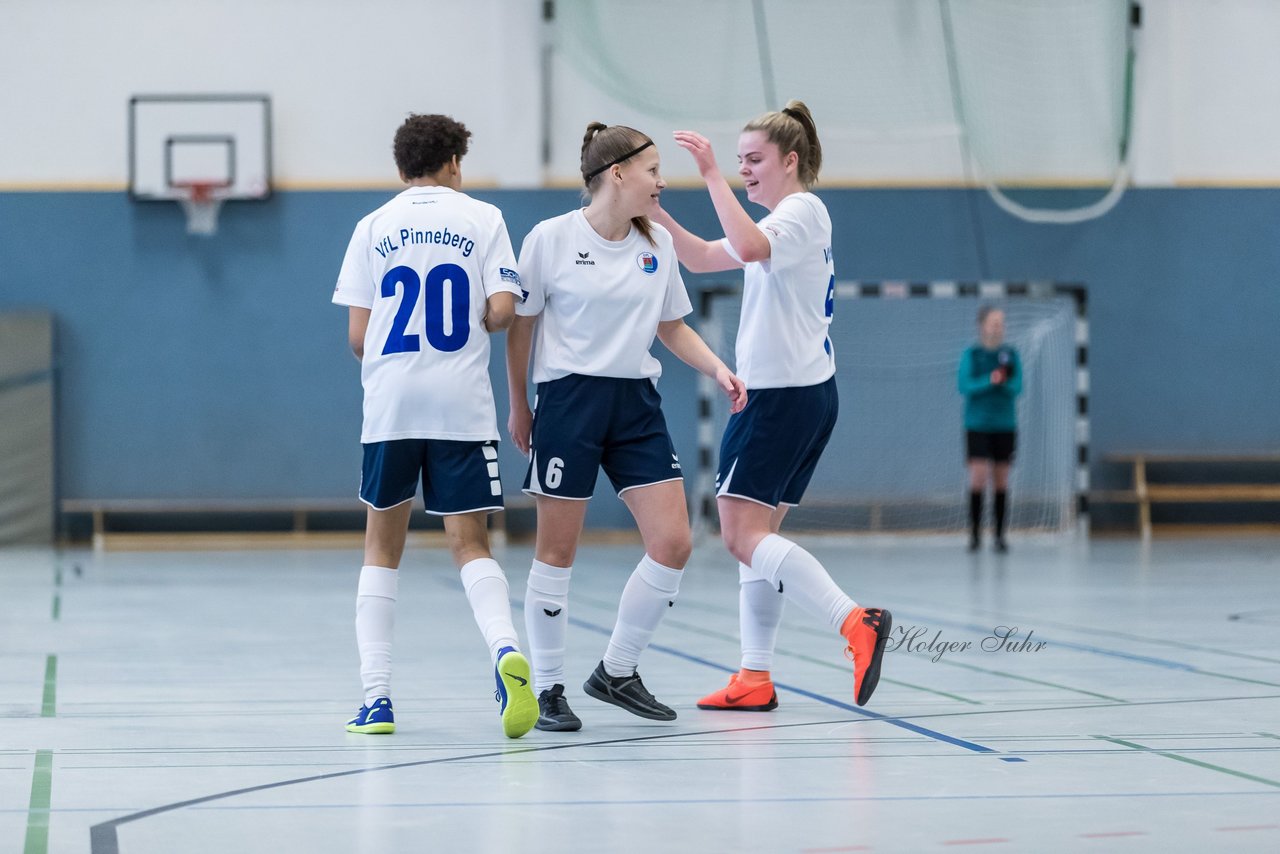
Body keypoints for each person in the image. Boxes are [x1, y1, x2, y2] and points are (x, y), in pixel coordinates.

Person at [650, 100, 892, 713]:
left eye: (753, 161)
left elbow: (750, 246)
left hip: (784, 399)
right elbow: (707, 255)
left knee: (738, 536)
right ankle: (755, 676)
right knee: (757, 539)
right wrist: (656, 216)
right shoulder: (784, 223)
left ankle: (854, 621)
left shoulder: (801, 211)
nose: (744, 172)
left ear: (791, 161)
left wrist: (709, 175)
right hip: (799, 395)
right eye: (738, 163)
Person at [507, 122, 747, 731]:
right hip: (568, 402)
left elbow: (671, 326)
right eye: (653, 170)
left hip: (636, 404)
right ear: (617, 174)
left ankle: (616, 669)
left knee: (674, 542)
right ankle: (550, 688)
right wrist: (519, 405)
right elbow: (522, 328)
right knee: (557, 551)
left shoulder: (657, 245)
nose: (662, 182)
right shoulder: (549, 239)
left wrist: (719, 367)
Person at [332, 114, 538, 739]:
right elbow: (504, 311)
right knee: (470, 545)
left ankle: (377, 700)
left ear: (402, 169)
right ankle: (506, 651)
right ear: (453, 162)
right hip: (461, 406)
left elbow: (359, 339)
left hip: (392, 406)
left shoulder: (371, 227)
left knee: (380, 550)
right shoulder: (484, 219)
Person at [958, 306, 1022, 553]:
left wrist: (1003, 382)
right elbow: (965, 386)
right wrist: (990, 380)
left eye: (1001, 322)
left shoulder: (1011, 354)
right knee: (978, 476)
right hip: (977, 425)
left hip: (1005, 425)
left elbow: (1017, 387)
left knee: (1002, 480)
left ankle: (1000, 535)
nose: (998, 327)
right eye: (993, 322)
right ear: (982, 325)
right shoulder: (972, 355)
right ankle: (974, 535)